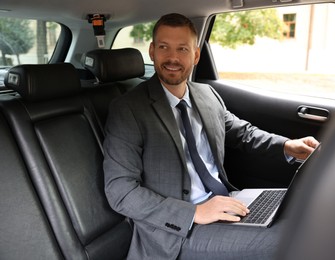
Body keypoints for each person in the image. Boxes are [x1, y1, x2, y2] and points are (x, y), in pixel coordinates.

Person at [103, 13, 320, 260]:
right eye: (164, 47)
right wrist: (194, 212)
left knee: (309, 210)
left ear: (195, 55)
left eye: (182, 49)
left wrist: (288, 146)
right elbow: (120, 191)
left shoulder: (207, 94)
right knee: (296, 241)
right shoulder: (129, 109)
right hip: (178, 232)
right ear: (152, 51)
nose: (173, 57)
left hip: (225, 201)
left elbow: (242, 133)